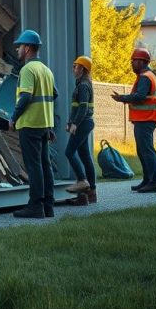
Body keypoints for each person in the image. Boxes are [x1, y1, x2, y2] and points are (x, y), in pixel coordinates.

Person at [8, 29, 57, 219]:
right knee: (45, 166)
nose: (18, 49)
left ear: (27, 48)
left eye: (20, 46)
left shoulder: (27, 69)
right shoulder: (46, 70)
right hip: (44, 124)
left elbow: (26, 96)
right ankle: (48, 206)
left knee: (34, 166)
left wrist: (13, 117)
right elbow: (54, 95)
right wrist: (50, 126)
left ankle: (35, 206)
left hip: (29, 124)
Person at [111, 48, 156, 193]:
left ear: (142, 62)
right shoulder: (146, 76)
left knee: (147, 151)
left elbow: (139, 96)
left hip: (146, 120)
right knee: (143, 151)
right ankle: (147, 180)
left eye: (134, 61)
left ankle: (154, 182)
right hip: (144, 119)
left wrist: (122, 98)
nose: (132, 64)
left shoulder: (146, 77)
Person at [64, 56, 97, 204]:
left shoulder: (83, 85)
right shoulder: (81, 84)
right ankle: (90, 194)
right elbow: (76, 107)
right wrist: (70, 122)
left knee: (69, 152)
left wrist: (75, 124)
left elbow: (83, 108)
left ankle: (83, 181)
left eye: (75, 66)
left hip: (83, 124)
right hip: (84, 123)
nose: (73, 69)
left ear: (83, 69)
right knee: (85, 157)